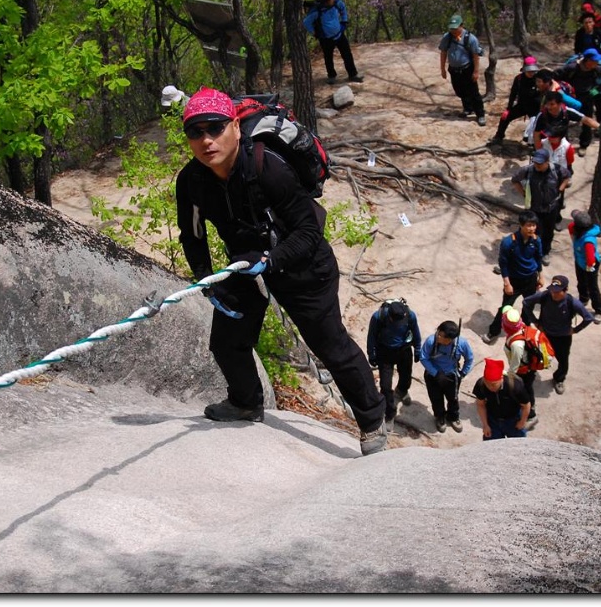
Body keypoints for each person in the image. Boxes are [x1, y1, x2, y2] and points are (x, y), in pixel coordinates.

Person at [175, 87, 387, 456]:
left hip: (305, 264)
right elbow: (192, 236)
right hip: (245, 259)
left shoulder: (266, 165)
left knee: (330, 344)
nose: (206, 140)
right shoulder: (192, 181)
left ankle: (372, 422)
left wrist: (272, 261)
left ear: (236, 128)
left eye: (215, 127)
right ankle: (245, 402)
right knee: (227, 340)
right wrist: (207, 280)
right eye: (196, 132)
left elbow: (308, 230)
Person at [522, 275, 594, 395]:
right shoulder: (545, 296)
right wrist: (535, 321)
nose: (553, 294)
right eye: (552, 291)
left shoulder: (572, 303)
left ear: (565, 290)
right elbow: (526, 302)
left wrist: (575, 330)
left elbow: (588, 317)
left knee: (563, 360)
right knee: (536, 355)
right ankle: (530, 376)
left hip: (563, 338)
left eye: (557, 292)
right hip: (544, 334)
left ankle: (559, 379)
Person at [481, 210, 543, 343]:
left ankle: (524, 329)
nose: (531, 228)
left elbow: (538, 259)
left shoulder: (536, 241)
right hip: (514, 281)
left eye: (534, 225)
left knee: (528, 306)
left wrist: (540, 276)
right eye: (528, 225)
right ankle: (494, 331)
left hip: (530, 279)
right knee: (506, 307)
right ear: (521, 225)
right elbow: (503, 264)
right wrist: (507, 283)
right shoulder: (509, 242)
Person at [366, 299, 422, 427]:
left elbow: (416, 332)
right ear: (390, 317)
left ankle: (402, 391)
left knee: (406, 375)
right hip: (385, 352)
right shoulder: (378, 317)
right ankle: (389, 413)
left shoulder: (409, 315)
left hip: (404, 349)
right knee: (385, 386)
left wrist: (418, 349)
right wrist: (371, 353)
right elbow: (371, 335)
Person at [511, 147, 570, 264]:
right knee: (528, 230)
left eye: (540, 163)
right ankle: (521, 253)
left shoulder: (557, 170)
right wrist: (523, 193)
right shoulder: (528, 170)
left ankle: (545, 252)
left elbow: (567, 177)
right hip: (534, 208)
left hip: (551, 208)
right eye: (535, 162)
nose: (537, 165)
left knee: (548, 232)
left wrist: (560, 189)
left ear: (547, 161)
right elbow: (515, 180)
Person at [420, 320, 474, 433]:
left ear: (451, 339)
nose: (439, 337)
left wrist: (462, 373)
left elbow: (469, 359)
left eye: (443, 337)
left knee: (453, 398)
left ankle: (453, 417)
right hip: (433, 376)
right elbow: (424, 358)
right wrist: (436, 373)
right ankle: (440, 417)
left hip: (452, 376)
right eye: (439, 334)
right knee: (436, 398)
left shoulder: (462, 344)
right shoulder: (431, 341)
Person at [554, 49, 601, 153]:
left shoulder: (596, 69)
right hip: (570, 97)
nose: (597, 63)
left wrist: (597, 90)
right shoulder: (572, 68)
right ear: (588, 60)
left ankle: (584, 145)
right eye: (595, 61)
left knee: (587, 121)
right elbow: (555, 76)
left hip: (587, 97)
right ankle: (565, 144)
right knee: (564, 119)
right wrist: (560, 90)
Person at [302, 0, 364, 85]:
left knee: (347, 55)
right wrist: (314, 33)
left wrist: (344, 21)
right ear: (327, 0)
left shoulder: (336, 3)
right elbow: (306, 22)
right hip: (326, 39)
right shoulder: (317, 11)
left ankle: (353, 75)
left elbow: (343, 7)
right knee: (328, 58)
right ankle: (331, 76)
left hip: (339, 35)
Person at [439, 14, 486, 126]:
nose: (453, 30)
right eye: (451, 28)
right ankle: (468, 108)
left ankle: (480, 114)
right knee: (459, 90)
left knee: (474, 92)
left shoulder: (471, 38)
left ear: (462, 26)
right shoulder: (447, 37)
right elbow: (443, 52)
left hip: (467, 69)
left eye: (455, 28)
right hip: (454, 69)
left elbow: (475, 56)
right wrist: (442, 69)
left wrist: (476, 71)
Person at [500, 306, 539, 428]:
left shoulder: (517, 344)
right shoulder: (520, 327)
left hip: (524, 372)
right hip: (525, 368)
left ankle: (531, 415)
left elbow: (515, 366)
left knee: (525, 390)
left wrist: (506, 375)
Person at [474, 358, 531, 440]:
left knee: (519, 446)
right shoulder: (481, 385)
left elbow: (526, 405)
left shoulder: (515, 386)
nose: (490, 387)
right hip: (493, 421)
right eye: (487, 383)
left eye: (493, 384)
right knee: (491, 448)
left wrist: (522, 421)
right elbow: (480, 405)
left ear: (501, 378)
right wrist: (485, 425)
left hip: (513, 420)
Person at [489, 56, 541, 146]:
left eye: (533, 71)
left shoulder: (539, 79)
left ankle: (535, 146)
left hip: (535, 108)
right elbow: (513, 94)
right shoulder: (519, 79)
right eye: (529, 71)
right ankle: (499, 136)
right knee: (505, 118)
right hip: (522, 105)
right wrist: (508, 108)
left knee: (535, 127)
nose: (531, 73)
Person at [531, 90, 598, 153]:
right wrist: (539, 152)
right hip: (546, 147)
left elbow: (586, 120)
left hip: (562, 147)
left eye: (552, 104)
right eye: (547, 104)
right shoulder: (541, 115)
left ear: (559, 104)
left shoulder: (567, 112)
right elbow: (536, 135)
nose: (549, 107)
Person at [568, 209, 601, 324]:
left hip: (590, 264)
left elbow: (590, 259)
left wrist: (588, 268)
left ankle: (598, 310)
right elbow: (570, 226)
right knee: (581, 282)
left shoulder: (588, 240)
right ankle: (583, 299)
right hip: (580, 261)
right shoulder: (579, 231)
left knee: (592, 287)